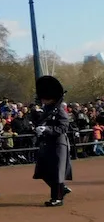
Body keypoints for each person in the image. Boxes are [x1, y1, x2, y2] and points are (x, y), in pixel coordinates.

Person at [32, 75, 74, 206]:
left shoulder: (60, 110)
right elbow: (40, 122)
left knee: (56, 172)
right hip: (47, 144)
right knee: (43, 171)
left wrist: (47, 129)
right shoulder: (47, 110)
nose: (43, 99)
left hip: (58, 144)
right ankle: (62, 189)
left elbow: (63, 128)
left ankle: (57, 198)